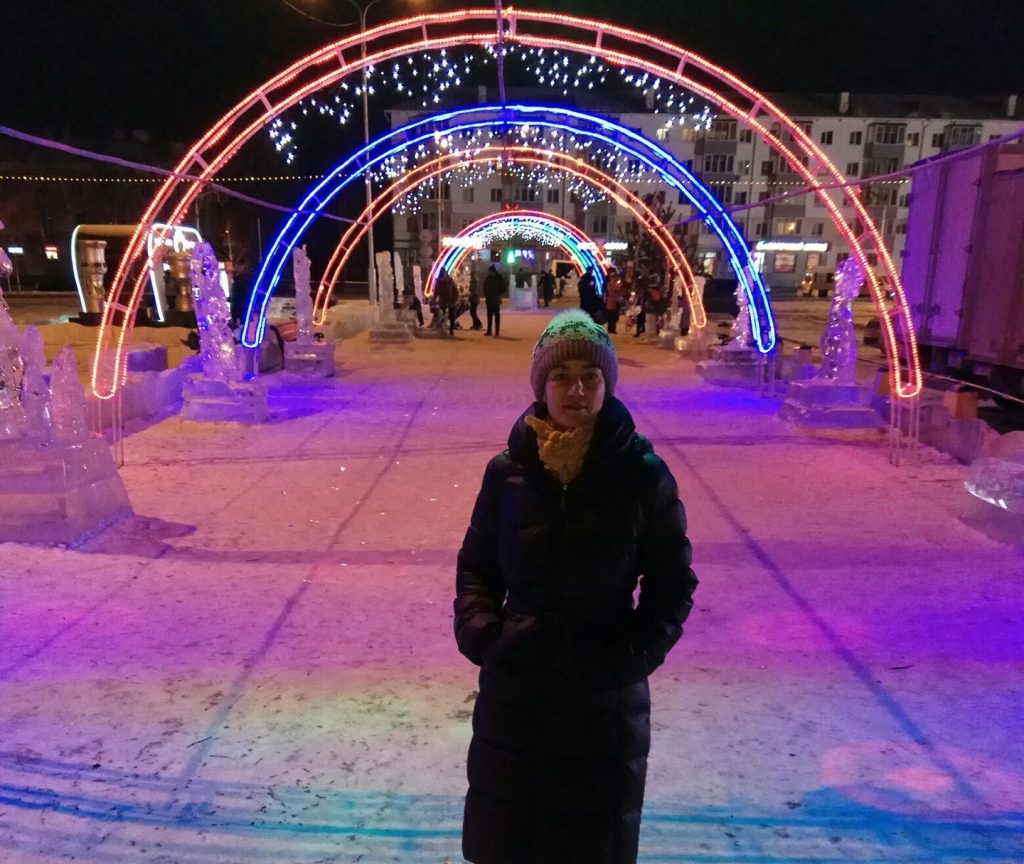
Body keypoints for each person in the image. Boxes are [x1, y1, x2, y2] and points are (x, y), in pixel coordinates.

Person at [454, 310, 698, 864]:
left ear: (608, 385)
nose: (577, 390)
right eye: (562, 377)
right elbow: (476, 566)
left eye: (591, 376)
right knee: (509, 840)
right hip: (517, 693)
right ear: (541, 386)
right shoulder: (507, 473)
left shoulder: (642, 475)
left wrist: (628, 658)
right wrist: (486, 636)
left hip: (602, 701)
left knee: (589, 843)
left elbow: (673, 583)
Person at [483, 264, 504, 337]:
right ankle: (494, 331)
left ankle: (492, 331)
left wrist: (488, 294)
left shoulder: (491, 278)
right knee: (494, 315)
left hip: (492, 298)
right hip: (494, 298)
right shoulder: (498, 277)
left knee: (492, 315)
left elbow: (485, 287)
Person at [604, 266, 623, 334]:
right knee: (611, 316)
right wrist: (616, 288)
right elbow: (611, 291)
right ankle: (610, 329)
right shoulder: (609, 284)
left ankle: (613, 329)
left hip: (616, 301)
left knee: (615, 316)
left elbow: (619, 291)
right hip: (611, 302)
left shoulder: (617, 283)